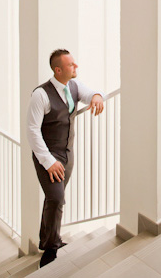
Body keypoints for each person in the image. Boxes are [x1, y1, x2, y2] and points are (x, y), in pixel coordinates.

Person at [26, 49, 104, 267]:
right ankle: (50, 247)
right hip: (47, 155)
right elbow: (32, 130)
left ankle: (50, 238)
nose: (76, 67)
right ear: (58, 69)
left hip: (68, 154)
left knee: (55, 199)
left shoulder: (73, 86)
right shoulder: (40, 95)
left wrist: (97, 96)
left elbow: (90, 93)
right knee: (56, 198)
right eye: (71, 65)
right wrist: (49, 162)